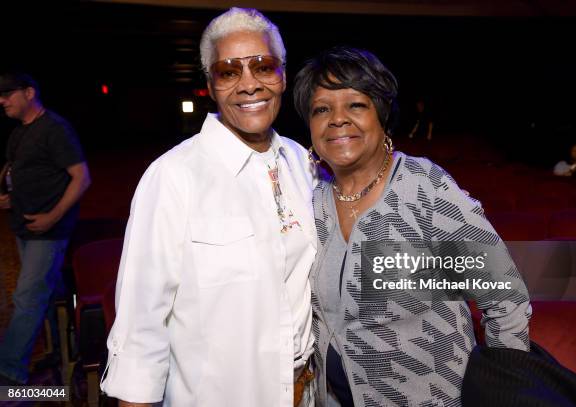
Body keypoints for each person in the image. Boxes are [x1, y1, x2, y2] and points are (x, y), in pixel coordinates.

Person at [100, 8, 317, 407]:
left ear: (282, 75)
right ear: (211, 85)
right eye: (229, 71)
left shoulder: (301, 162)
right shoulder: (174, 176)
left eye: (263, 66)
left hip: (306, 392)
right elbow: (141, 324)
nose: (249, 85)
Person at [293, 47, 531, 406]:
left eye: (355, 105)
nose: (337, 119)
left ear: (381, 115)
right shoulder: (312, 203)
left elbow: (504, 298)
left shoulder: (425, 188)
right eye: (321, 109)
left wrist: (506, 394)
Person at [0, 72, 91, 384]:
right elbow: (16, 169)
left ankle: (8, 374)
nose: (2, 100)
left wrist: (52, 217)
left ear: (29, 93)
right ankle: (64, 351)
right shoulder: (19, 133)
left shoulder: (54, 128)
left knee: (28, 296)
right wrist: (9, 194)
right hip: (25, 228)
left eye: (8, 94)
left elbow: (81, 177)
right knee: (49, 293)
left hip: (48, 230)